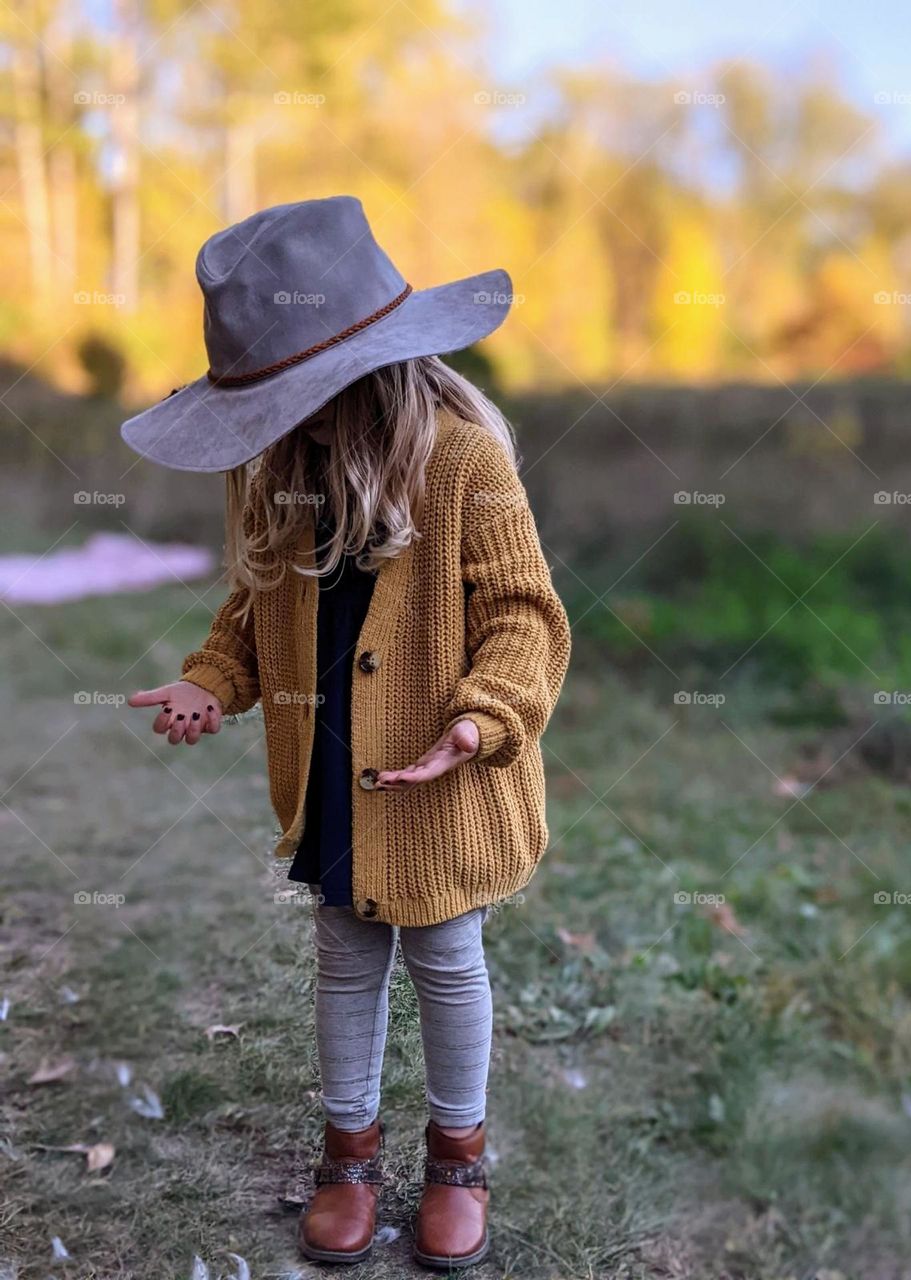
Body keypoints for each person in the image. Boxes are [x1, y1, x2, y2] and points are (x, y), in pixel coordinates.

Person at [123, 197, 571, 1270]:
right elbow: (252, 607)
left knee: (447, 957)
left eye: (295, 398)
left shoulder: (463, 462)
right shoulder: (283, 467)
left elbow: (525, 613)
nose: (282, 421)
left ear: (368, 371)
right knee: (344, 956)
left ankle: (458, 1154)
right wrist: (209, 681)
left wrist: (481, 718)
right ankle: (349, 1152)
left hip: (440, 770)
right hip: (334, 769)